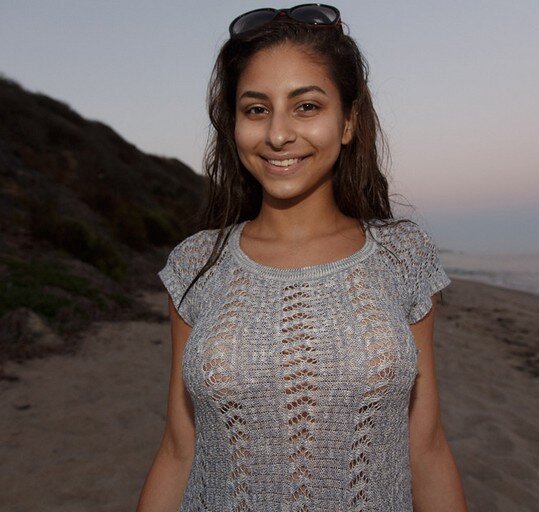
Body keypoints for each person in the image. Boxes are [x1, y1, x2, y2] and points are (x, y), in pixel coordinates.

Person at [136, 4, 468, 511]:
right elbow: (179, 451)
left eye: (306, 106)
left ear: (348, 121)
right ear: (234, 125)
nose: (278, 134)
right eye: (256, 109)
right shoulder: (195, 263)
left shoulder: (402, 255)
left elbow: (426, 447)